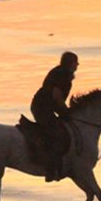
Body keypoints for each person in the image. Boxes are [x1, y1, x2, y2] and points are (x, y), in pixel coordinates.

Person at [30, 51, 78, 181]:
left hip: (47, 107)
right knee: (56, 133)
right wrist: (65, 111)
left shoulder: (64, 74)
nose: (77, 65)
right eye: (75, 63)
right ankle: (50, 168)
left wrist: (64, 112)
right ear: (70, 63)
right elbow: (57, 95)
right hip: (42, 108)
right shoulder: (61, 74)